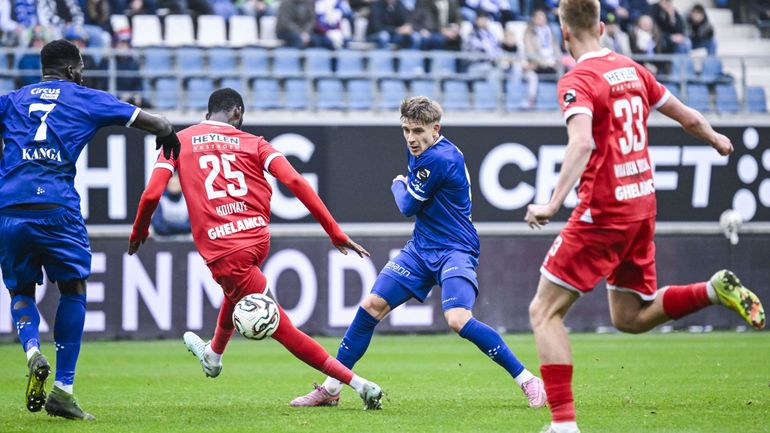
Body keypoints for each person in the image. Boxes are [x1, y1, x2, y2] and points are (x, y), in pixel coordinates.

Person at [523, 1, 766, 432]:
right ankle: (713, 290)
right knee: (629, 317)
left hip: (604, 211)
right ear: (601, 27)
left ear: (564, 33)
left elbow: (581, 143)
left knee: (543, 311)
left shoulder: (578, 80)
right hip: (641, 205)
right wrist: (715, 137)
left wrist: (552, 202)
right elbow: (687, 116)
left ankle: (563, 425)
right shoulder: (632, 69)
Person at [127, 88, 384, 410]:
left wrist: (139, 230)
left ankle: (358, 385)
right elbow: (296, 182)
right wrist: (333, 231)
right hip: (257, 240)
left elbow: (152, 195)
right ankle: (213, 356)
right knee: (236, 291)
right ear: (237, 112)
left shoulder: (177, 141)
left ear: (207, 115)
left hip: (223, 248)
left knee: (281, 327)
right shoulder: (256, 143)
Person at [291, 96, 546, 409]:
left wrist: (397, 184)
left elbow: (407, 205)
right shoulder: (423, 149)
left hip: (455, 249)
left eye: (418, 131)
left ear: (435, 129)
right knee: (372, 306)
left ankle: (528, 379)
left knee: (457, 319)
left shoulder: (439, 158)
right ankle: (331, 388)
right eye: (406, 130)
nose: (411, 138)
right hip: (421, 249)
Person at [0, 39, 180, 420]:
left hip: (10, 208)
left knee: (20, 290)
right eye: (80, 70)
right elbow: (156, 122)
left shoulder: (13, 100)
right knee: (74, 288)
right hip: (57, 208)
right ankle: (63, 390)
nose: (82, 76)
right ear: (70, 70)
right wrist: (167, 133)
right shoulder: (84, 98)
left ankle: (32, 350)